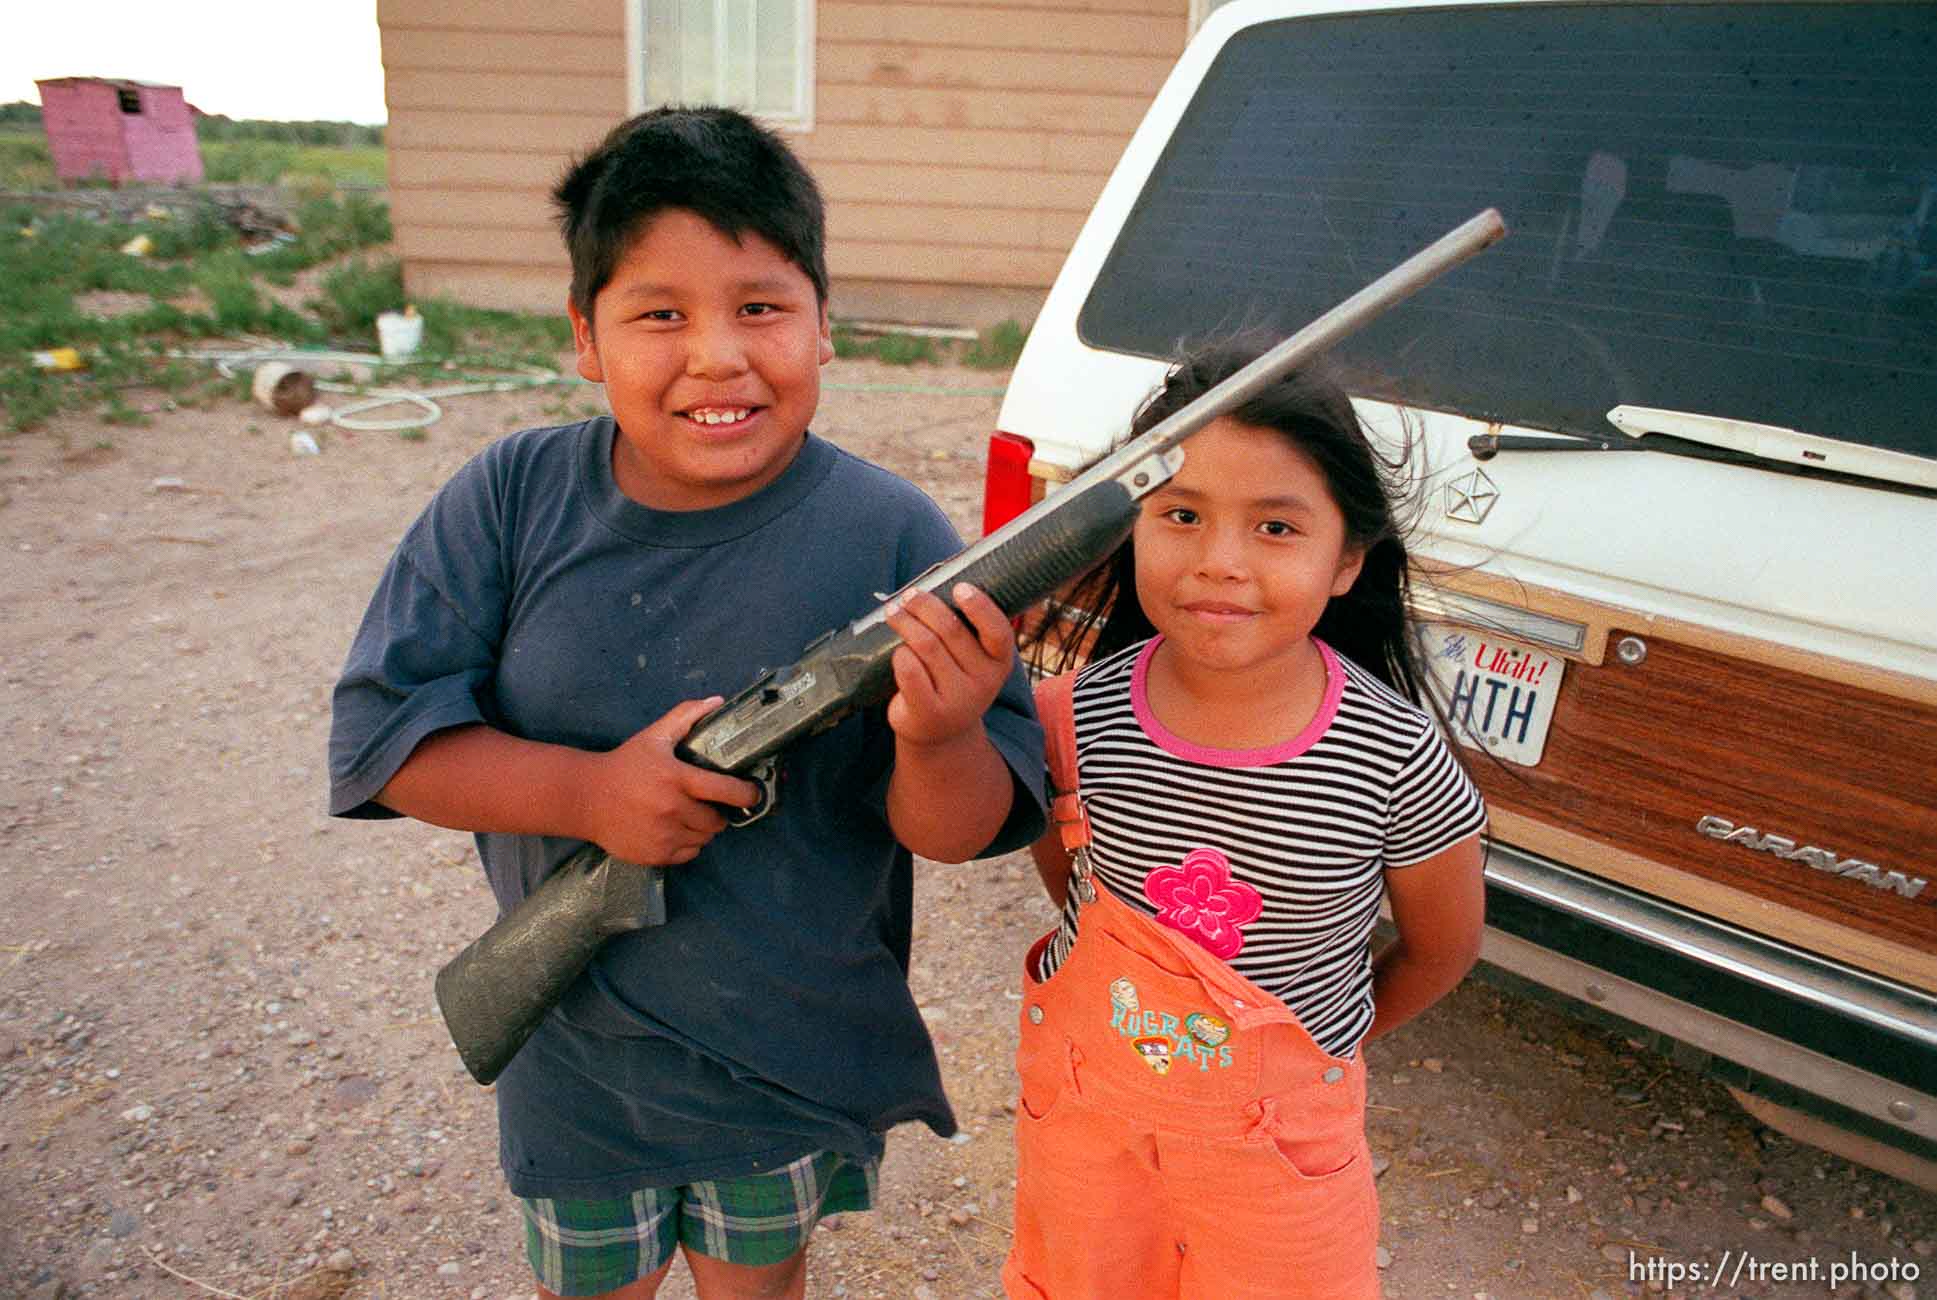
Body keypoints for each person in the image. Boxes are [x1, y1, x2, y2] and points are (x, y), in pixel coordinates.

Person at [327, 106, 1045, 1300]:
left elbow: (957, 830)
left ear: (825, 328)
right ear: (585, 338)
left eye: (760, 307)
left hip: (785, 1055)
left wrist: (944, 729)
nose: (718, 354)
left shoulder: (895, 536)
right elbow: (386, 737)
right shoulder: (510, 496)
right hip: (577, 1055)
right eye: (659, 313)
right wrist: (592, 794)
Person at [1003, 341, 1487, 1299]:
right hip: (1083, 1132)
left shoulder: (1391, 755)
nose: (1219, 562)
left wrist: (1306, 1057)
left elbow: (1440, 948)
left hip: (1279, 1162)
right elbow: (1074, 888)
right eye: (1180, 515)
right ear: (1128, 526)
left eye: (1274, 527)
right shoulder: (1068, 719)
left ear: (1346, 559)